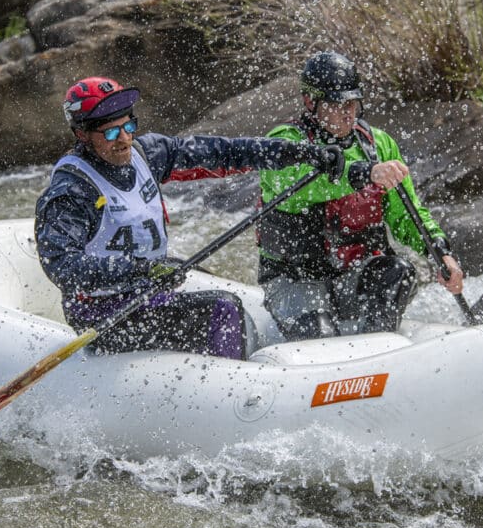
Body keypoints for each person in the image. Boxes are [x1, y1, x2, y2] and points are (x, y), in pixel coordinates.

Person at [35, 76, 343, 360]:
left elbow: (224, 152)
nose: (124, 139)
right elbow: (62, 266)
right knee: (223, 308)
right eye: (111, 133)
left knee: (216, 287)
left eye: (129, 126)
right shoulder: (71, 191)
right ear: (82, 134)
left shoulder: (148, 154)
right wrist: (141, 270)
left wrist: (300, 154)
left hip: (148, 296)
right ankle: (234, 389)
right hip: (103, 314)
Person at [256, 51, 464, 340]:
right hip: (296, 279)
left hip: (352, 278)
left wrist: (441, 253)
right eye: (336, 104)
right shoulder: (284, 142)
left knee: (398, 271)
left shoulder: (379, 145)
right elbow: (305, 183)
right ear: (310, 101)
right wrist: (364, 173)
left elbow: (406, 215)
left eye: (352, 103)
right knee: (319, 335)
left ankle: (377, 349)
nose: (347, 112)